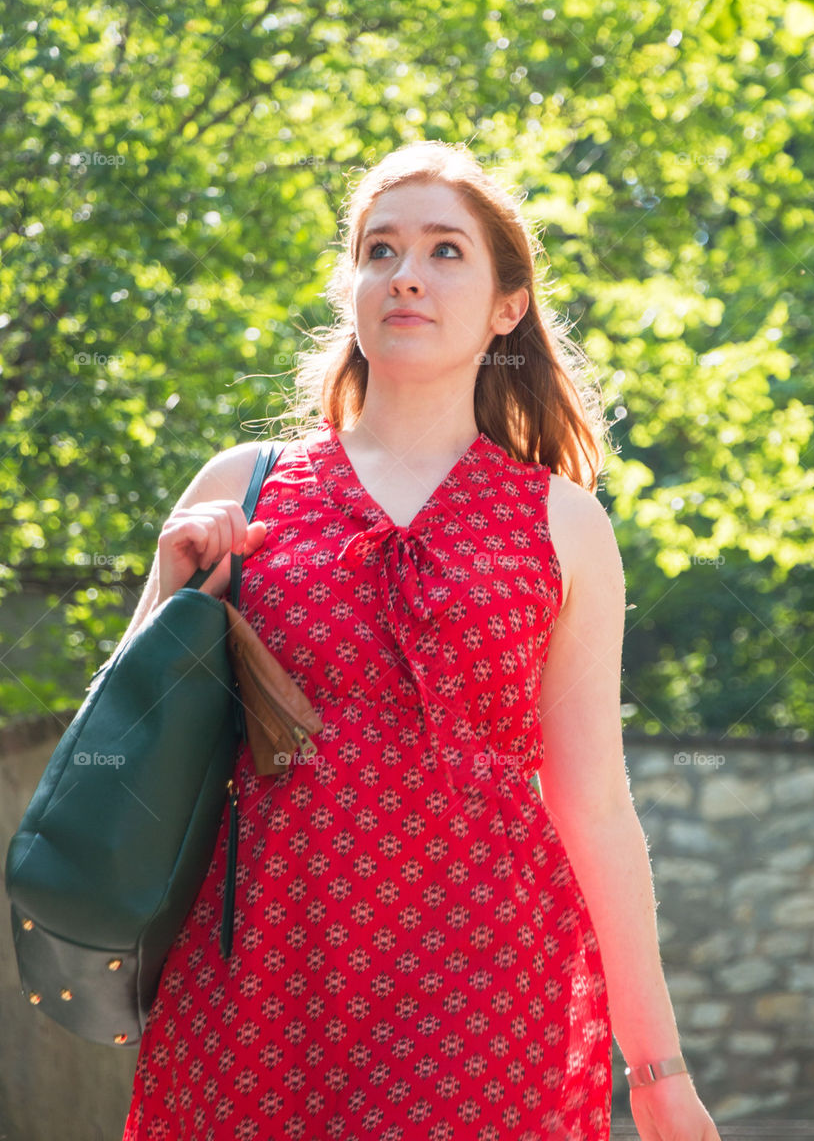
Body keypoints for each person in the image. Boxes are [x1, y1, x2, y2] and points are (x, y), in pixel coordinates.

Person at [120, 141, 721, 1140]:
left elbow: (594, 804)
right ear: (349, 285)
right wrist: (168, 584)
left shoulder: (564, 524)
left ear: (505, 307)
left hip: (489, 986)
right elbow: (131, 742)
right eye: (380, 249)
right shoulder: (244, 484)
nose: (405, 272)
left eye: (446, 251)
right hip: (261, 972)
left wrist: (655, 1067)